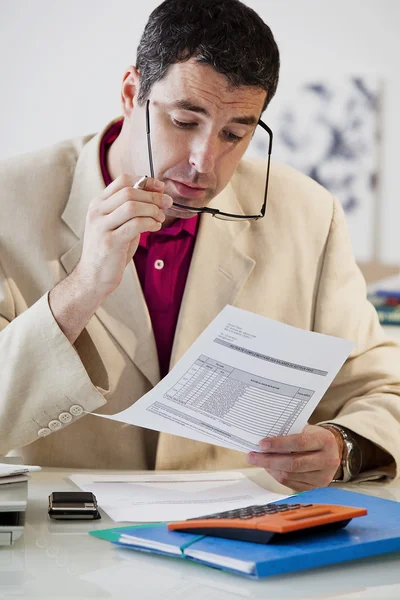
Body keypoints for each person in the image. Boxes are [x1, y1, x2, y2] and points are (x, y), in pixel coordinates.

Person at [0, 0, 398, 491]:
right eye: (185, 122)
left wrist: (344, 446)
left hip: (241, 540)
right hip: (55, 547)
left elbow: (382, 390)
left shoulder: (310, 216)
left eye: (235, 133)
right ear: (131, 93)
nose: (204, 162)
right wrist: (82, 287)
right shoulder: (6, 204)